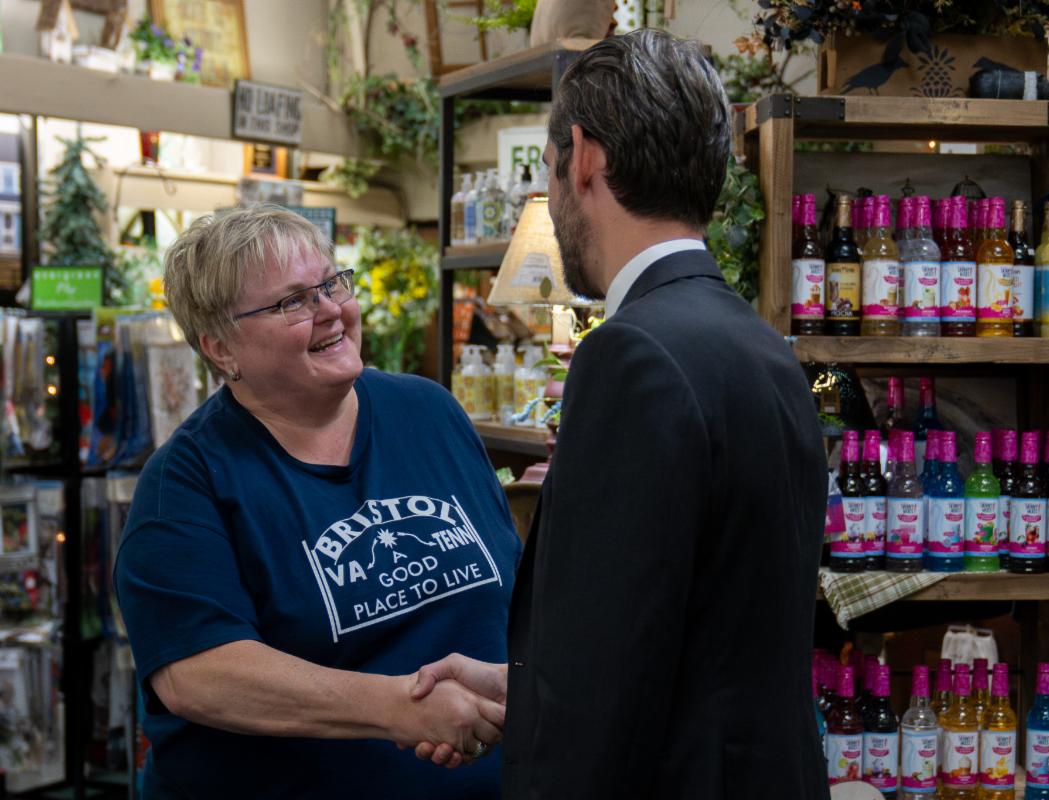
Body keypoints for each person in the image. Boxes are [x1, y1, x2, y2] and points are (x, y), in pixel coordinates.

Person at [415, 29, 829, 798]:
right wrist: (523, 684)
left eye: (547, 168)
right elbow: (703, 629)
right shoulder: (760, 343)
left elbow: (600, 685)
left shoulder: (631, 356)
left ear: (584, 156)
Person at [113, 206, 519, 798]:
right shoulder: (184, 483)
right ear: (221, 346)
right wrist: (401, 707)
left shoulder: (430, 412)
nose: (331, 309)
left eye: (331, 284)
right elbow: (198, 674)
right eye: (292, 302)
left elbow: (507, 588)